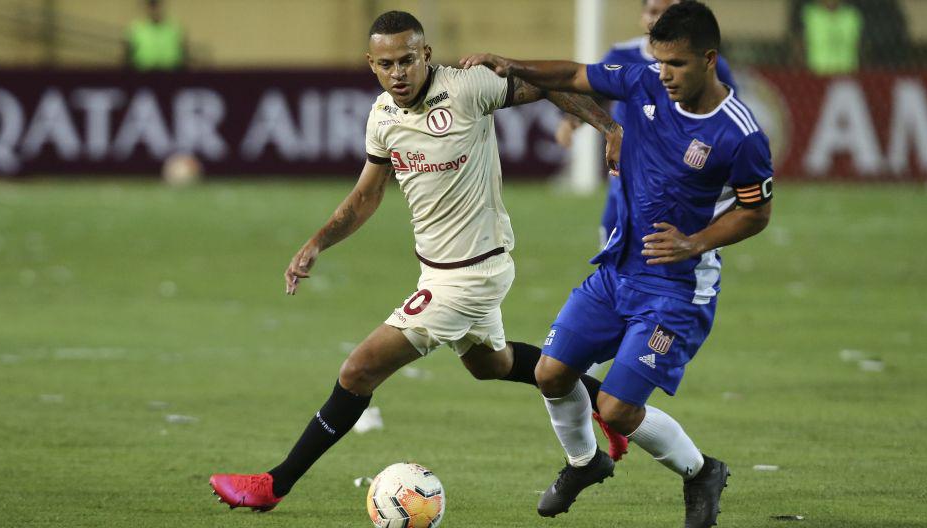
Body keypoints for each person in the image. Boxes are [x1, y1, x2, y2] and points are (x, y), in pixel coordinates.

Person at [209, 10, 626, 512]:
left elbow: (548, 83)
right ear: (371, 64)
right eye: (386, 64)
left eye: (407, 60)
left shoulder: (468, 87)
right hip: (439, 269)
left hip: (470, 275)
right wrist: (317, 242)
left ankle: (273, 485)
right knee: (491, 365)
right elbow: (367, 195)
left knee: (358, 371)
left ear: (426, 54)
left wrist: (609, 127)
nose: (398, 73)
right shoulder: (383, 116)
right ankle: (607, 405)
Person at [460, 1, 773, 526]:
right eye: (660, 61)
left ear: (709, 60)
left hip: (676, 291)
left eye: (677, 64)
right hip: (617, 271)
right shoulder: (645, 82)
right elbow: (573, 76)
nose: (664, 74)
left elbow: (756, 212)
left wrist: (694, 243)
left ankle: (702, 473)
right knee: (551, 373)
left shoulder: (739, 134)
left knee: (618, 409)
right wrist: (512, 64)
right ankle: (584, 462)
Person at [557, 0, 737, 248]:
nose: (659, 18)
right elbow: (595, 90)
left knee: (672, 244)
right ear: (642, 16)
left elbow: (726, 113)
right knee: (615, 234)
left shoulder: (705, 62)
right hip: (629, 167)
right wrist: (572, 120)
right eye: (653, 12)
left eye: (667, 12)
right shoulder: (621, 55)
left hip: (679, 175)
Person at [124, 0, 188, 71]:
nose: (155, 10)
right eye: (152, 7)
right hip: (142, 73)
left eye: (157, 6)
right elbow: (127, 54)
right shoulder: (136, 28)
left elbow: (184, 52)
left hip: (171, 73)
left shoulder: (175, 28)